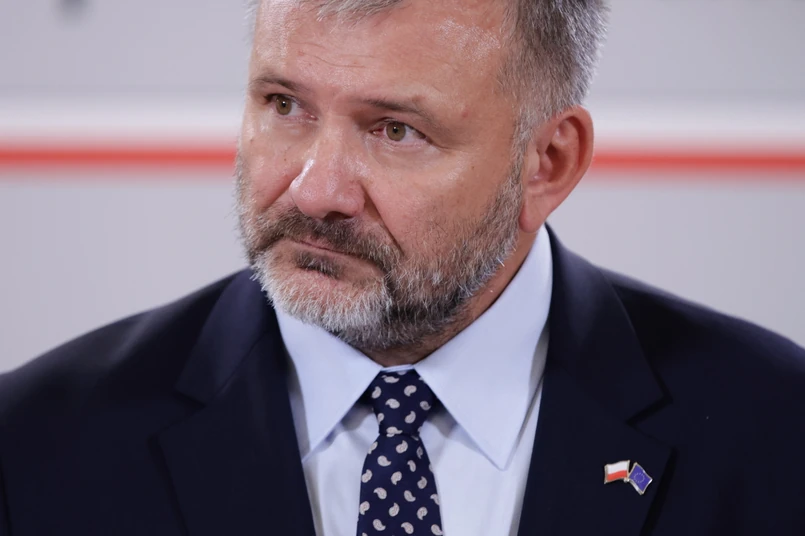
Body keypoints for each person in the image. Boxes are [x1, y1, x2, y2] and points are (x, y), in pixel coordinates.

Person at [1, 0, 804, 534]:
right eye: (283, 105)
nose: (316, 191)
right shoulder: (36, 446)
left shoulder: (775, 432)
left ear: (548, 162)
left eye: (394, 131)